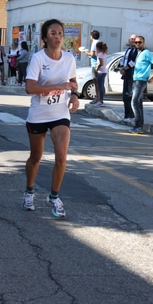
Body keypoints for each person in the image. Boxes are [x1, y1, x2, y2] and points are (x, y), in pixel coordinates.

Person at [22, 18, 79, 218]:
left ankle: (54, 196)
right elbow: (30, 87)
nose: (57, 37)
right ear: (45, 37)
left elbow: (72, 82)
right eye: (53, 33)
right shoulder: (38, 58)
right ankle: (29, 191)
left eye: (60, 33)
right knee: (36, 157)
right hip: (39, 114)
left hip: (59, 114)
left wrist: (74, 95)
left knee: (61, 157)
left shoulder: (69, 59)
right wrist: (58, 87)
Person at [129, 36, 153, 134]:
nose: (138, 44)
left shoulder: (146, 53)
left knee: (134, 102)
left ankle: (138, 126)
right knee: (138, 104)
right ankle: (139, 126)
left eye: (140, 42)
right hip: (136, 80)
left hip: (141, 81)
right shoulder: (138, 53)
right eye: (136, 42)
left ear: (144, 43)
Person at [120, 34, 138, 122]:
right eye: (131, 39)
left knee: (129, 95)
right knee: (124, 96)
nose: (132, 40)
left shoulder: (136, 51)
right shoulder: (128, 49)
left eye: (134, 39)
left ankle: (130, 115)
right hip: (126, 75)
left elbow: (133, 62)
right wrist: (121, 68)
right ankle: (126, 114)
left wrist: (124, 68)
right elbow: (124, 60)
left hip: (131, 75)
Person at [86, 29, 100, 104]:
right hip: (97, 64)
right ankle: (98, 98)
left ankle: (98, 98)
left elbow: (93, 54)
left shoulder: (94, 43)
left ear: (92, 36)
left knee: (96, 82)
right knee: (97, 82)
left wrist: (86, 52)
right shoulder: (99, 42)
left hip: (95, 64)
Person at [94, 41, 108, 108]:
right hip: (104, 71)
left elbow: (101, 63)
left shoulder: (100, 54)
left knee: (100, 86)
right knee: (101, 86)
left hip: (100, 72)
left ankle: (100, 101)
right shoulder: (104, 53)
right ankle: (101, 100)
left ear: (98, 48)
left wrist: (97, 68)